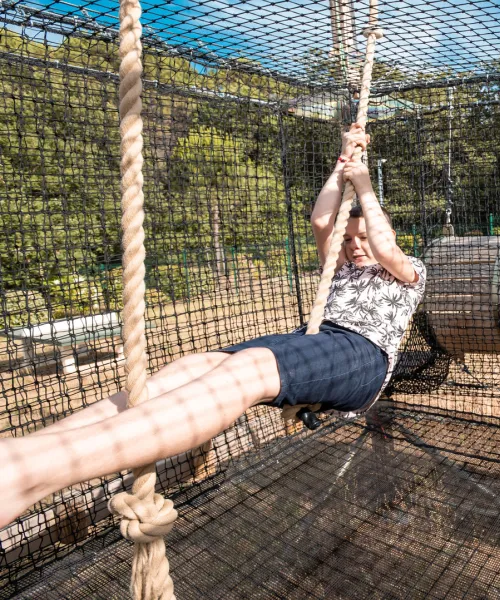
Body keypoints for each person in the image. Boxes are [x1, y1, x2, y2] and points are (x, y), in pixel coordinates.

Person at [0, 123, 425, 526]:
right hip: (314, 342)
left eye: (363, 237)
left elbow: (386, 247)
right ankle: (18, 455)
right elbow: (320, 221)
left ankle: (36, 473)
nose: (355, 246)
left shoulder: (409, 272)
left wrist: (364, 182)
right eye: (349, 240)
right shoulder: (342, 267)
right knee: (194, 366)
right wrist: (341, 165)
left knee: (247, 369)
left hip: (361, 355)